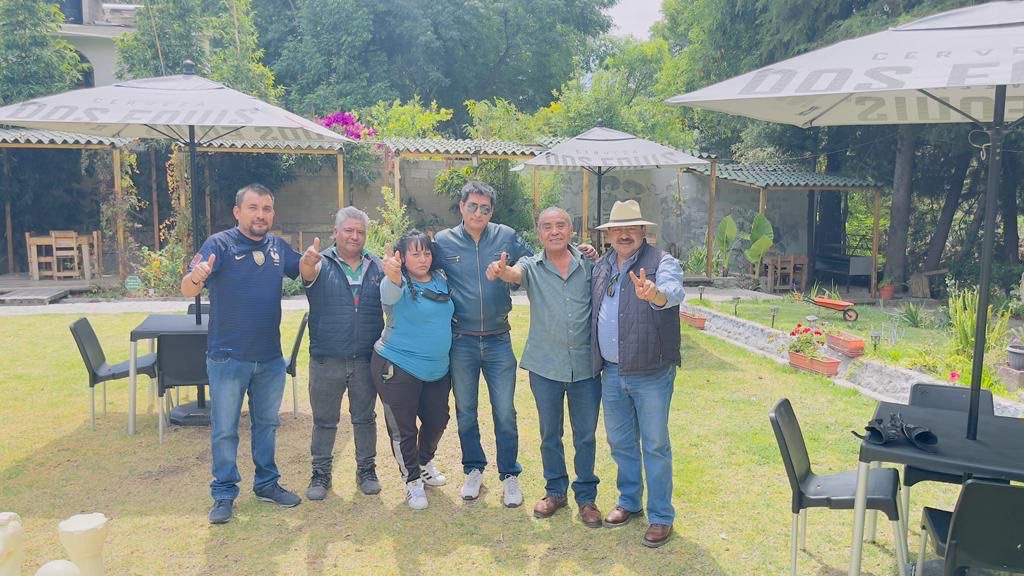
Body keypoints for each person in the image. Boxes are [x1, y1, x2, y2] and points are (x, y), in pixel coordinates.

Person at [181, 183, 305, 525]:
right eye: (253, 208)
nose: (260, 215)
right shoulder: (218, 244)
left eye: (266, 208)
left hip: (269, 358)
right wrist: (197, 276)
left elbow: (304, 271)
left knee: (266, 425)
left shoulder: (278, 247)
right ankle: (223, 493)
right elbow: (187, 287)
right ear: (237, 212)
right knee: (224, 429)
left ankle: (266, 484)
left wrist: (312, 261)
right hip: (227, 357)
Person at [487, 207, 603, 528]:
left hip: (585, 367)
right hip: (545, 367)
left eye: (560, 225)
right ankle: (555, 491)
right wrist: (501, 270)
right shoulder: (531, 266)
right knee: (550, 434)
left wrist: (595, 253)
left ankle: (586, 497)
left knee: (585, 436)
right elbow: (514, 274)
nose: (554, 231)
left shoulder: (589, 264)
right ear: (538, 233)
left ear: (571, 229)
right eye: (547, 226)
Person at [432, 181, 533, 506]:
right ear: (461, 206)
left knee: (505, 411)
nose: (478, 213)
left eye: (485, 208)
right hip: (461, 340)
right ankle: (473, 468)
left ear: (492, 211)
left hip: (498, 339)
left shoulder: (506, 236)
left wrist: (509, 271)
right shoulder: (443, 241)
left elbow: (535, 261)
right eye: (472, 206)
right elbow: (417, 263)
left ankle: (509, 474)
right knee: (466, 411)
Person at [590, 199, 684, 548]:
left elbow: (674, 292)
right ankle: (629, 501)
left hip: (651, 372)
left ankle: (660, 516)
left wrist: (654, 294)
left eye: (631, 228)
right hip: (612, 372)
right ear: (609, 234)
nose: (624, 234)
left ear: (643, 230)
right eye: (618, 229)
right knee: (620, 442)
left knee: (655, 445)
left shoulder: (662, 262)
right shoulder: (602, 265)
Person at [298, 206, 384, 501]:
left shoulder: (376, 265)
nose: (354, 236)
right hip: (327, 359)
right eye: (348, 230)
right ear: (335, 232)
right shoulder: (320, 263)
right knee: (324, 421)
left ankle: (367, 470)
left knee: (365, 419)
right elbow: (307, 275)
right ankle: (320, 473)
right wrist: (306, 264)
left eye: (360, 232)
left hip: (365, 359)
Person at [372, 229, 455, 510]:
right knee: (403, 429)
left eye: (427, 253)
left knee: (438, 419)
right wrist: (392, 274)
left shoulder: (441, 280)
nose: (422, 259)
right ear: (403, 257)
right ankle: (412, 480)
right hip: (397, 366)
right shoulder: (396, 282)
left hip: (437, 370)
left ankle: (424, 462)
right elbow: (389, 290)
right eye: (415, 253)